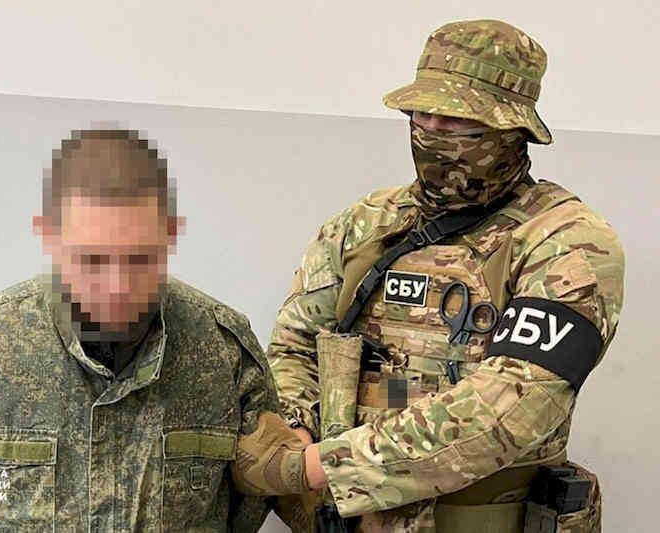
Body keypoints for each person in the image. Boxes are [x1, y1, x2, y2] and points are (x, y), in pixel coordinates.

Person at [266, 19, 625, 533]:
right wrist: (294, 431)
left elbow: (514, 406)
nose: (431, 130)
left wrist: (324, 468)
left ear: (512, 129)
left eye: (456, 120)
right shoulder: (365, 225)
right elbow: (295, 344)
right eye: (421, 112)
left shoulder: (567, 242)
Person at [0, 128, 306, 532]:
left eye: (140, 259)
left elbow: (252, 500)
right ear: (49, 235)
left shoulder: (223, 347)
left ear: (170, 233)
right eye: (92, 260)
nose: (118, 286)